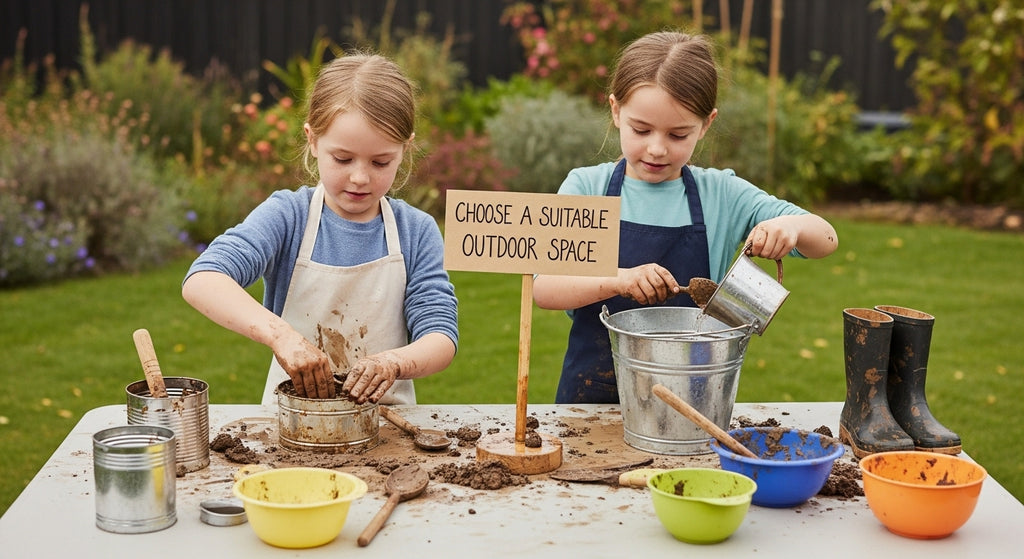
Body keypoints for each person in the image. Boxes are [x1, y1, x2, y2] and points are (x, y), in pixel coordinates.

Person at [533, 31, 839, 404]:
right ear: (616, 111)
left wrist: (789, 226)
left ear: (706, 124)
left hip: (693, 398)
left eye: (678, 135)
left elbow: (826, 239)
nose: (657, 148)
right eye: (641, 130)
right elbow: (544, 287)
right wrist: (618, 280)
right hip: (592, 400)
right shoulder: (588, 186)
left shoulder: (722, 195)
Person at [182, 53, 458, 406]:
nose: (360, 177)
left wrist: (394, 361)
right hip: (292, 425)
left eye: (380, 162)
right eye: (342, 159)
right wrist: (282, 336)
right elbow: (203, 279)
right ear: (312, 141)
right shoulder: (288, 216)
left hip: (388, 431)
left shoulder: (415, 231)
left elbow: (440, 337)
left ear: (405, 149)